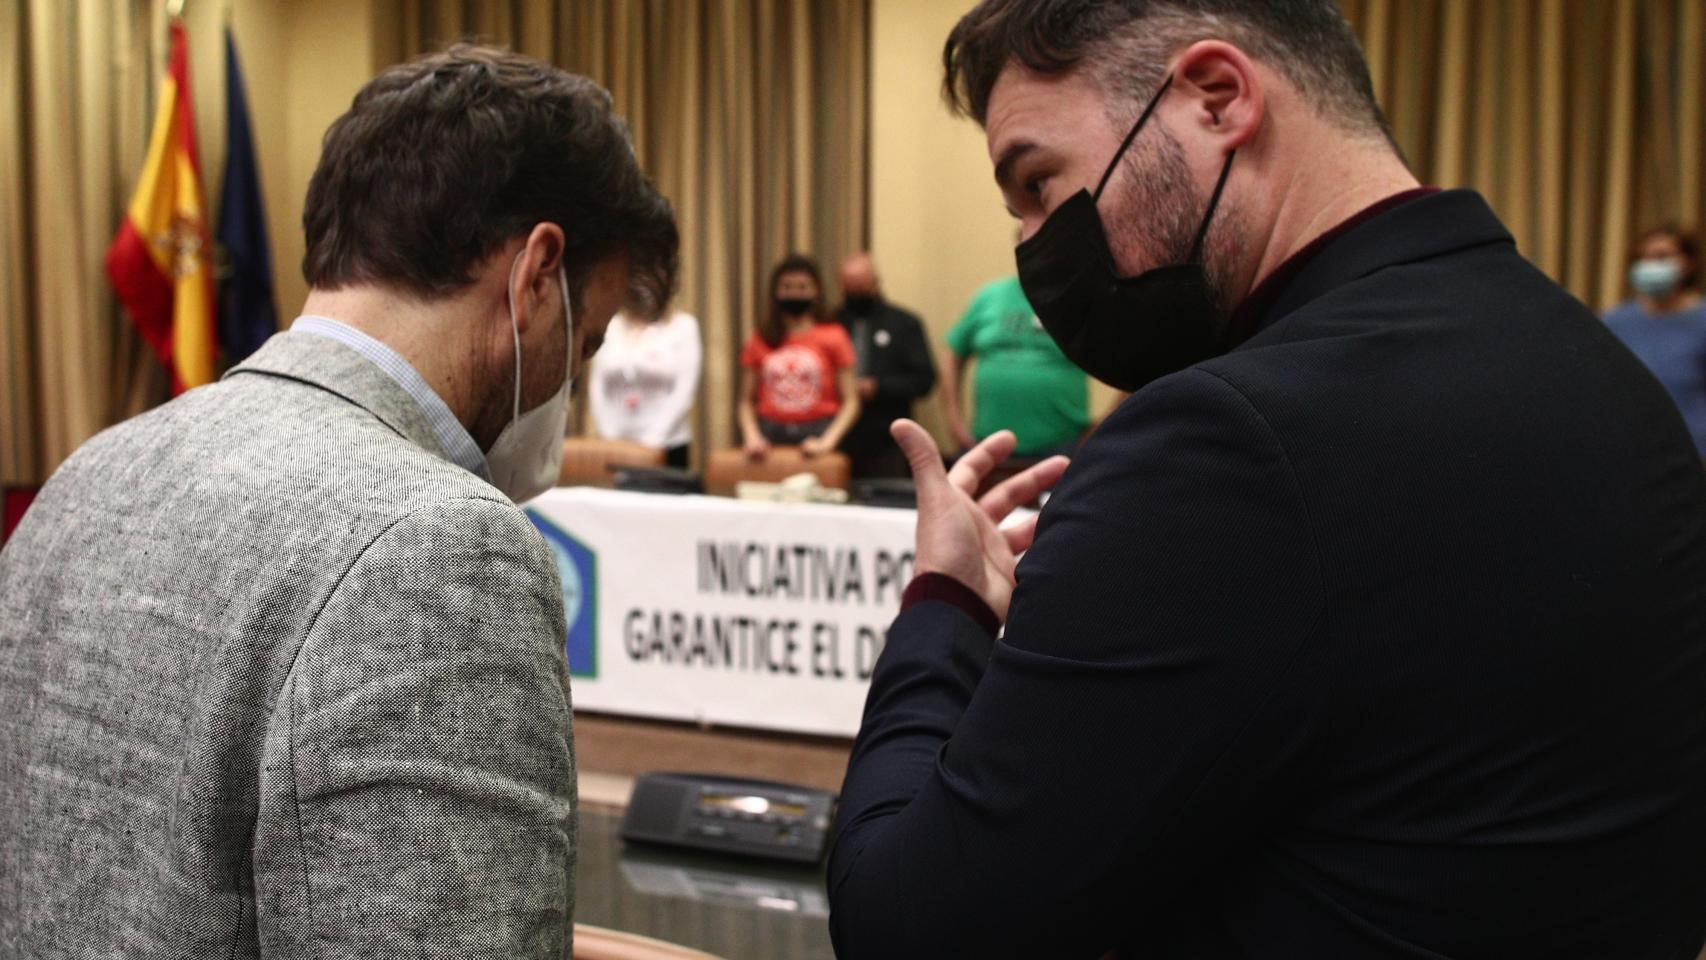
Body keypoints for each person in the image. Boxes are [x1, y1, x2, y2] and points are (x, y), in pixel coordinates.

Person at [829, 2, 1706, 958]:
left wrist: (944, 607)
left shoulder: (1224, 445)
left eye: (1040, 185)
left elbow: (908, 929)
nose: (1035, 247)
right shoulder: (1602, 371)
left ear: (1216, 97)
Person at [0, 45, 677, 960]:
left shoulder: (85, 475)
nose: (570, 386)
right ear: (537, 275)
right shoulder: (442, 548)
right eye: (584, 345)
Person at [942, 273, 1089, 456]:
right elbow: (952, 352)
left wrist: (1105, 426)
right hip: (986, 445)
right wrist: (954, 421)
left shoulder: (1082, 298)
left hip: (1063, 445)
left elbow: (1132, 357)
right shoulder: (990, 296)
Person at [738, 254, 861, 459]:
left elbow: (851, 401)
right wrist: (752, 437)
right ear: (776, 291)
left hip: (819, 431)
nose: (794, 293)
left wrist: (827, 442)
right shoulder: (760, 337)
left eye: (803, 287)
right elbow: (745, 401)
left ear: (816, 291)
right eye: (787, 286)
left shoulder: (834, 335)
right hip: (770, 433)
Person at [1602, 226, 1706, 455]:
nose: (1650, 265)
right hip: (1635, 452)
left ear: (1688, 263)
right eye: (1643, 258)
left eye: (1662, 257)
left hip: (1696, 453)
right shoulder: (1614, 321)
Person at [834, 252, 937, 478]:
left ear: (875, 281)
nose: (857, 293)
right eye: (851, 288)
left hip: (887, 440)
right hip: (836, 438)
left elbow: (924, 380)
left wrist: (878, 387)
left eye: (862, 285)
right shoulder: (830, 323)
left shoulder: (904, 324)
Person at [588, 288, 702, 468]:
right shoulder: (611, 326)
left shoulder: (683, 326)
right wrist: (611, 439)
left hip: (667, 445)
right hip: (614, 444)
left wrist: (650, 444)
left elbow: (683, 391)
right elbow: (597, 387)